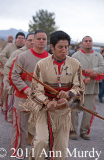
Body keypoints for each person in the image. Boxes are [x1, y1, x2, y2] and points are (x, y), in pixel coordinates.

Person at [27, 30, 84, 160]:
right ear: (52, 47)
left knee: (61, 150)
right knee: (41, 142)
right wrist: (47, 102)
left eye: (66, 47)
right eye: (60, 47)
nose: (64, 50)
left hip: (63, 113)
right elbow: (36, 91)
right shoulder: (41, 65)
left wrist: (69, 95)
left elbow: (79, 87)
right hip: (44, 111)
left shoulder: (75, 64)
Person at [10, 30, 49, 159]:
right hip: (22, 98)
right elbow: (13, 75)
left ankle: (37, 153)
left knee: (41, 129)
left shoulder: (50, 58)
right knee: (21, 127)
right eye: (39, 39)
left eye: (44, 39)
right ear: (33, 40)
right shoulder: (22, 56)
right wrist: (25, 88)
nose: (41, 41)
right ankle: (17, 153)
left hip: (42, 101)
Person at [70, 36, 104, 140]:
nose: (88, 43)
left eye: (90, 41)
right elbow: (73, 69)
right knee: (74, 110)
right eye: (86, 41)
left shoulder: (98, 56)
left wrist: (92, 71)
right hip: (78, 89)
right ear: (82, 43)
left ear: (92, 43)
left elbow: (102, 67)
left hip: (92, 89)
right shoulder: (75, 55)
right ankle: (73, 131)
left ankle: (84, 131)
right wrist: (83, 79)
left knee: (89, 111)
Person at [3, 33, 34, 123]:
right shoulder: (18, 53)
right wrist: (10, 81)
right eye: (29, 40)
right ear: (25, 41)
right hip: (18, 87)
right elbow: (8, 66)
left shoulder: (40, 54)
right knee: (16, 116)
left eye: (33, 40)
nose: (32, 42)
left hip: (32, 89)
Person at [0, 32, 25, 112]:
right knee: (6, 89)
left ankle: (14, 108)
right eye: (19, 38)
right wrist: (9, 63)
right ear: (16, 39)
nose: (21, 40)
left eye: (22, 38)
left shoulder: (25, 49)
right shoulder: (9, 47)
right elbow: (1, 56)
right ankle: (4, 105)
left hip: (20, 73)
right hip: (8, 71)